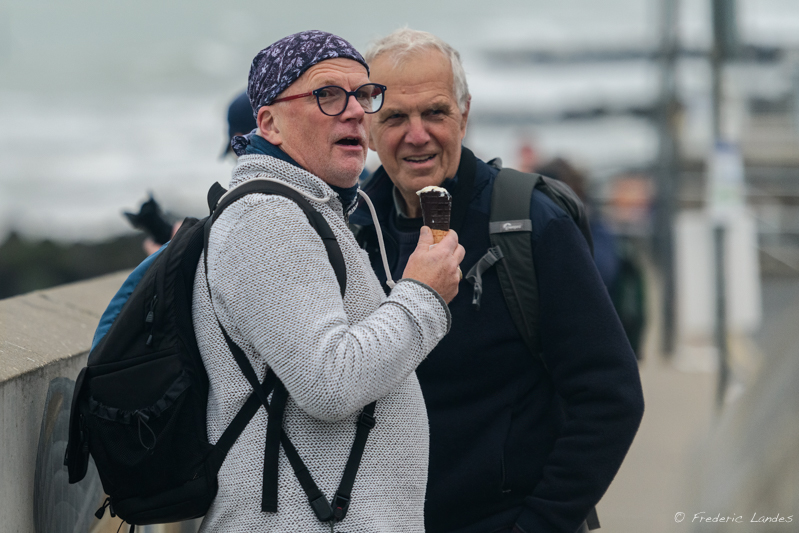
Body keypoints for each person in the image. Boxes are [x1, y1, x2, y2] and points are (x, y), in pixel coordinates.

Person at [351, 28, 645, 533]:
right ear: (368, 129)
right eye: (395, 117)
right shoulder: (350, 231)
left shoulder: (530, 223)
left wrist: (540, 523)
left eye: (435, 112)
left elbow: (610, 396)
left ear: (464, 115)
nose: (417, 135)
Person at [192, 30, 464, 532]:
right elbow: (329, 384)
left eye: (363, 94)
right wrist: (424, 295)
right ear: (269, 123)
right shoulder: (265, 217)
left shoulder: (309, 208)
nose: (357, 111)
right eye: (328, 95)